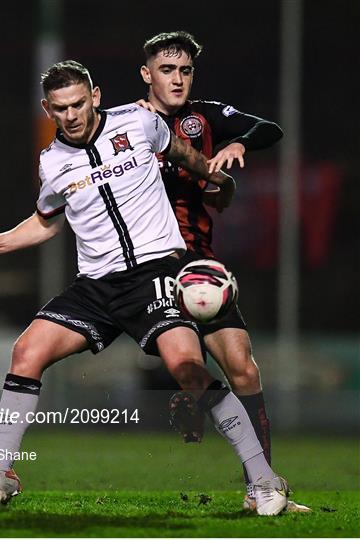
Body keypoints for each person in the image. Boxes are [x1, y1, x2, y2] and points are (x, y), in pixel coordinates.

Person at [0, 60, 289, 515]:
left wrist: (216, 178)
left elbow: (180, 153)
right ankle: (1, 474)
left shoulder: (138, 122)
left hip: (154, 275)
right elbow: (45, 220)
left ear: (94, 96)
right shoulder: (52, 162)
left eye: (78, 103)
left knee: (188, 369)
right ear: (47, 109)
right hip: (95, 286)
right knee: (26, 353)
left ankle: (265, 480)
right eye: (60, 109)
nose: (71, 115)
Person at [138, 31, 310, 513]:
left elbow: (269, 129)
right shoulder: (126, 123)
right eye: (167, 70)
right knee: (190, 368)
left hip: (197, 262)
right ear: (146, 75)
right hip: (143, 263)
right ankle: (190, 395)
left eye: (185, 70)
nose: (177, 79)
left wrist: (235, 144)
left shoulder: (204, 117)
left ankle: (263, 488)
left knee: (243, 366)